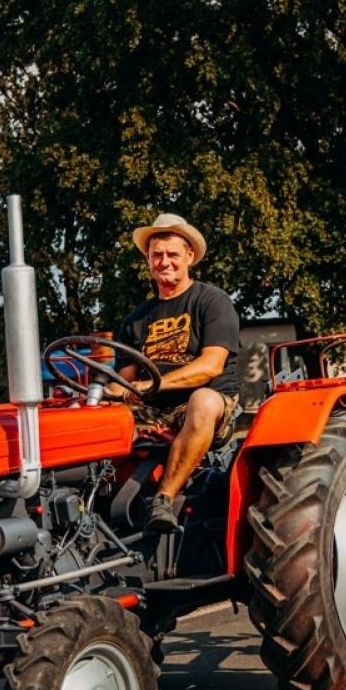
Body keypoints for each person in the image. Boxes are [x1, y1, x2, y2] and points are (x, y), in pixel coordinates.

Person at [112, 213, 241, 532]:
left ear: (189, 257)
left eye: (172, 254)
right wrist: (101, 393)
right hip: (153, 412)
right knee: (98, 418)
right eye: (157, 255)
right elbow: (123, 381)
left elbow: (210, 365)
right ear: (148, 260)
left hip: (206, 409)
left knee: (204, 400)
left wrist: (148, 386)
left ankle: (164, 500)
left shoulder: (211, 301)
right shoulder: (135, 320)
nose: (164, 261)